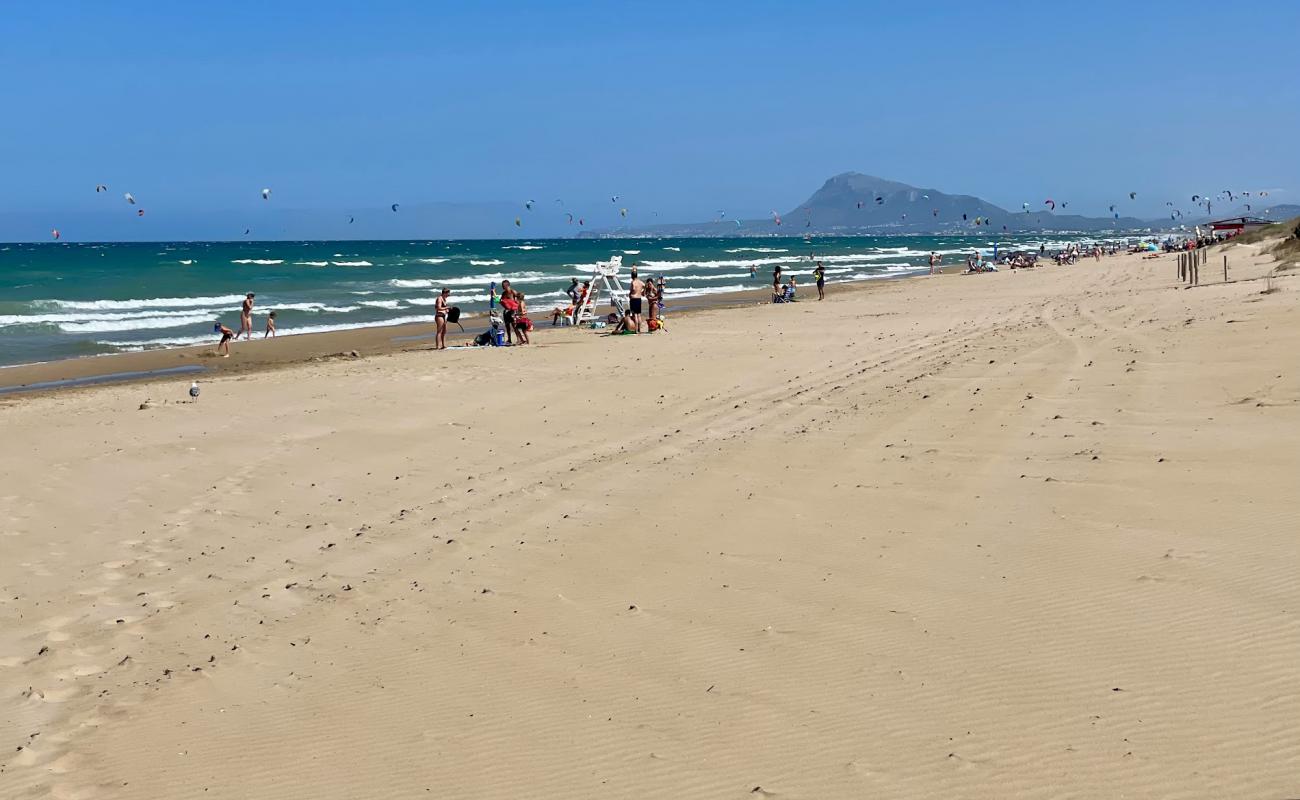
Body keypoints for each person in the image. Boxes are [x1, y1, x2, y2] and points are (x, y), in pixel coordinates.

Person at [628, 268, 645, 334]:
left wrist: (630, 293)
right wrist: (642, 291)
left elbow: (633, 289)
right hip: (639, 298)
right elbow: (645, 286)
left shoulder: (633, 282)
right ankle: (639, 329)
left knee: (634, 315)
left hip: (633, 299)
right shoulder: (640, 282)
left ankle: (636, 330)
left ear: (632, 276)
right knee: (639, 315)